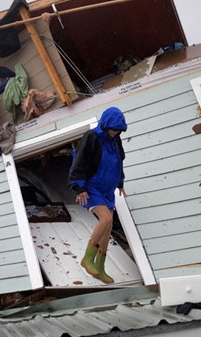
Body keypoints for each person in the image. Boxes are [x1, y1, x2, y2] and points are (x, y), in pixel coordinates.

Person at [68, 107, 128, 284]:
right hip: (92, 186)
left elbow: (118, 162)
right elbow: (78, 160)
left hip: (108, 190)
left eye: (118, 130)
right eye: (113, 129)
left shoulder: (115, 139)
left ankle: (101, 267)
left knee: (107, 229)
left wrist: (120, 182)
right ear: (105, 124)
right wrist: (79, 187)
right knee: (106, 220)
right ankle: (87, 258)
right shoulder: (92, 137)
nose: (115, 132)